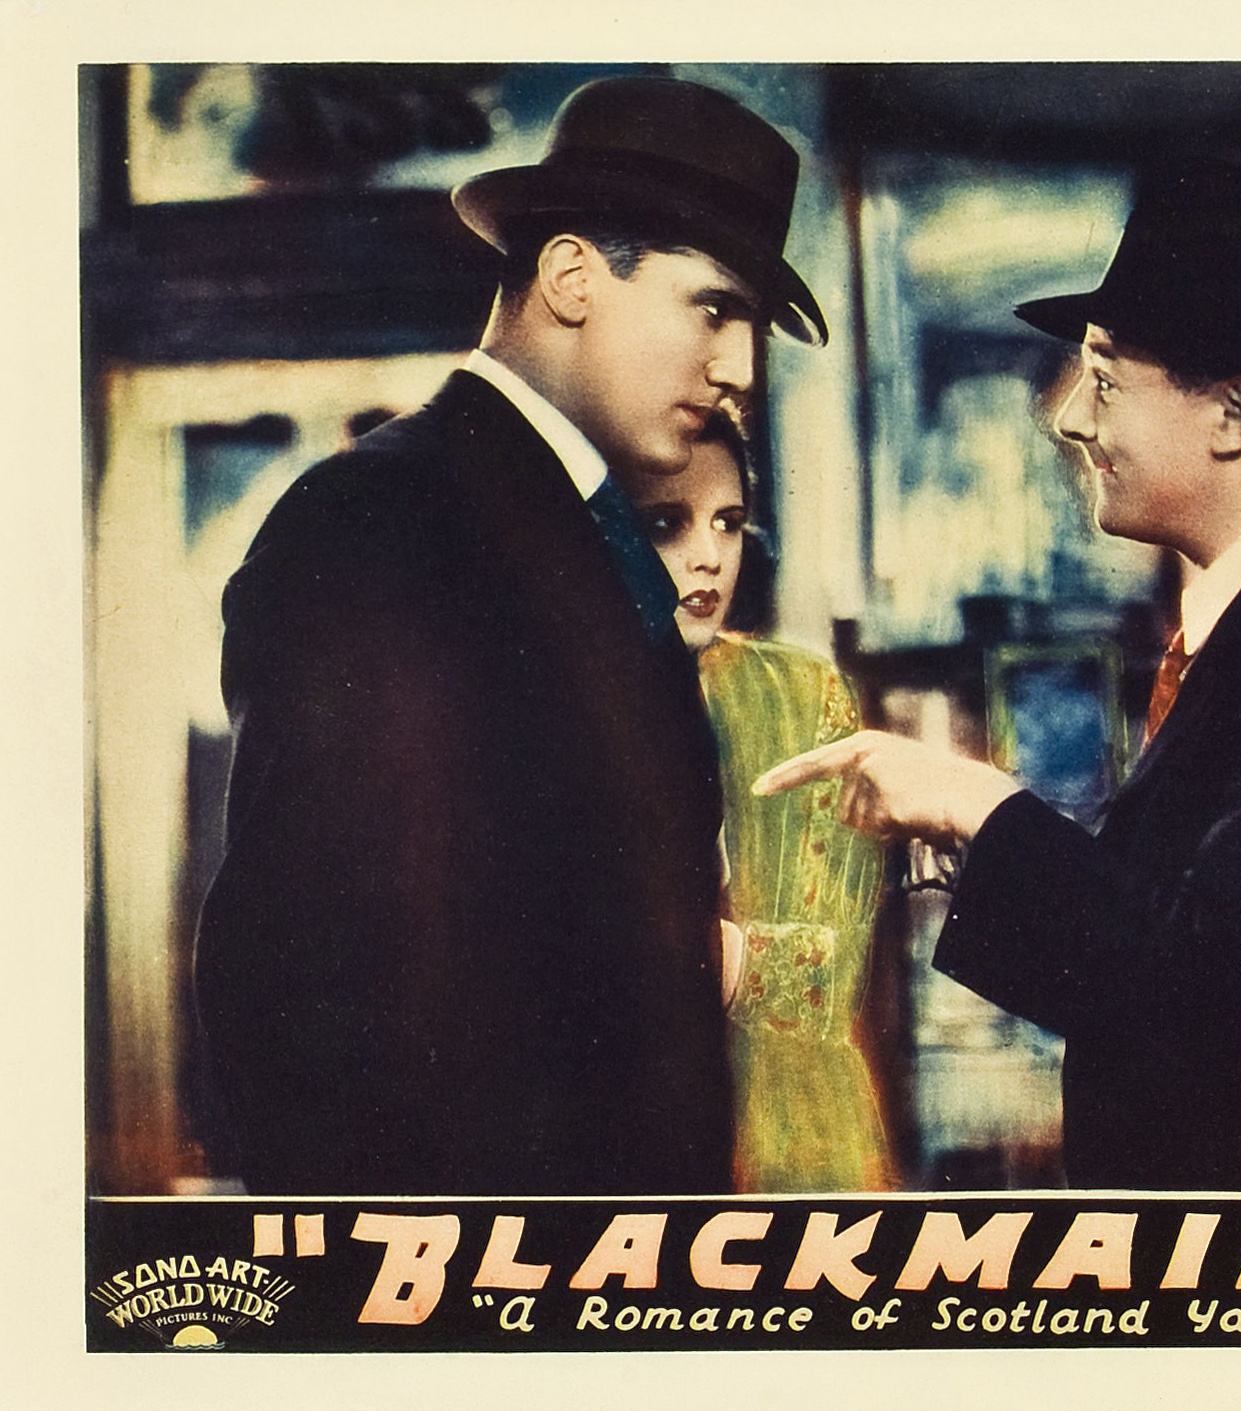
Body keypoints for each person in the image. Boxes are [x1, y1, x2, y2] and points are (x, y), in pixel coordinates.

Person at [758, 160, 1241, 1193]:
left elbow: (1219, 1002)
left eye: (1107, 379)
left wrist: (980, 807)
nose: (1071, 419)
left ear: (1231, 415)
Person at [193, 76, 828, 1195]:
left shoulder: (585, 520)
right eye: (713, 309)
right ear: (572, 276)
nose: (739, 368)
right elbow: (297, 975)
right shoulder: (382, 514)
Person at [613, 418, 894, 1192]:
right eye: (667, 524)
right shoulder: (542, 706)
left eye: (729, 522)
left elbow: (824, 971)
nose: (709, 554)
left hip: (794, 1139)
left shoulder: (801, 694)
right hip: (622, 1148)